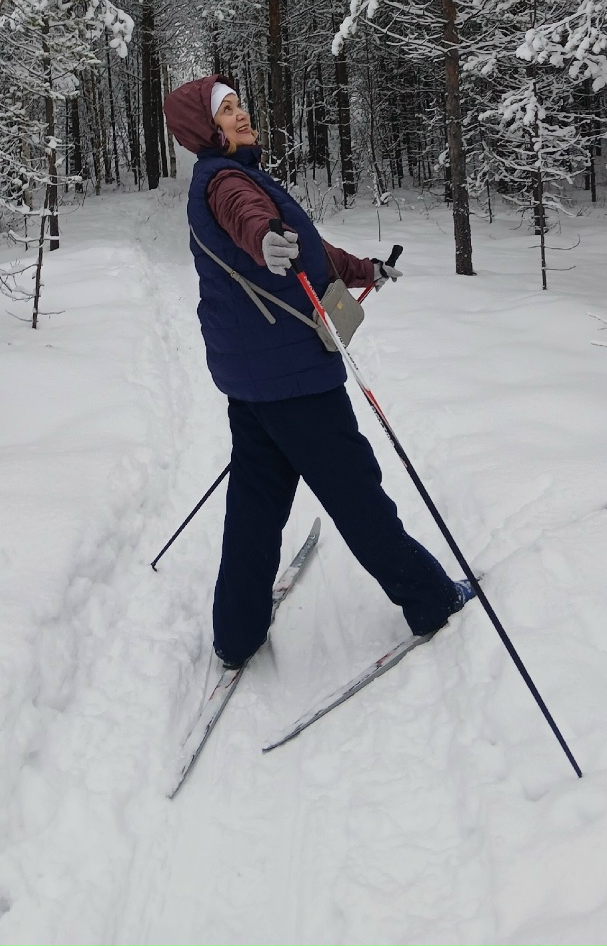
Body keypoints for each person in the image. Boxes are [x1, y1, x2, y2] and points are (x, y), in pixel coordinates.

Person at [162, 73, 473, 671]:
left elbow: (312, 251)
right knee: (356, 492)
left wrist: (364, 270)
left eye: (240, 104)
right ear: (206, 129)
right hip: (296, 379)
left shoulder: (234, 175)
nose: (241, 114)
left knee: (256, 504)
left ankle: (236, 632)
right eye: (227, 111)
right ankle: (430, 598)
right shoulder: (227, 182)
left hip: (255, 383)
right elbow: (250, 221)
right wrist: (263, 241)